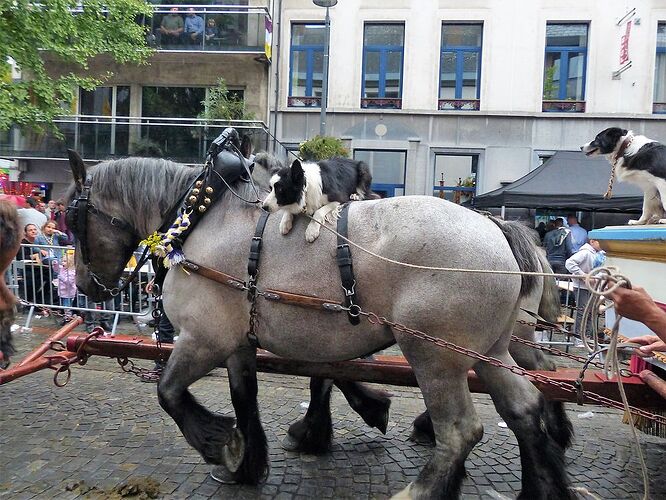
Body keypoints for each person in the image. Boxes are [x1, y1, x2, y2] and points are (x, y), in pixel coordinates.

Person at [565, 238, 605, 339]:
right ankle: (578, 336)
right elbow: (569, 263)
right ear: (592, 241)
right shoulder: (585, 253)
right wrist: (583, 275)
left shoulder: (600, 254)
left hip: (594, 287)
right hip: (582, 286)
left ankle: (586, 336)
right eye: (599, 242)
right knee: (582, 311)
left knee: (591, 311)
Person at [57, 250, 77, 324]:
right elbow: (56, 269)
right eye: (62, 261)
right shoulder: (62, 269)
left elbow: (69, 282)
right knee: (64, 306)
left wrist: (61, 277)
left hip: (68, 292)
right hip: (62, 291)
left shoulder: (72, 271)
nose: (62, 263)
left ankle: (68, 318)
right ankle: (67, 316)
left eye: (65, 261)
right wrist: (55, 264)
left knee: (67, 306)